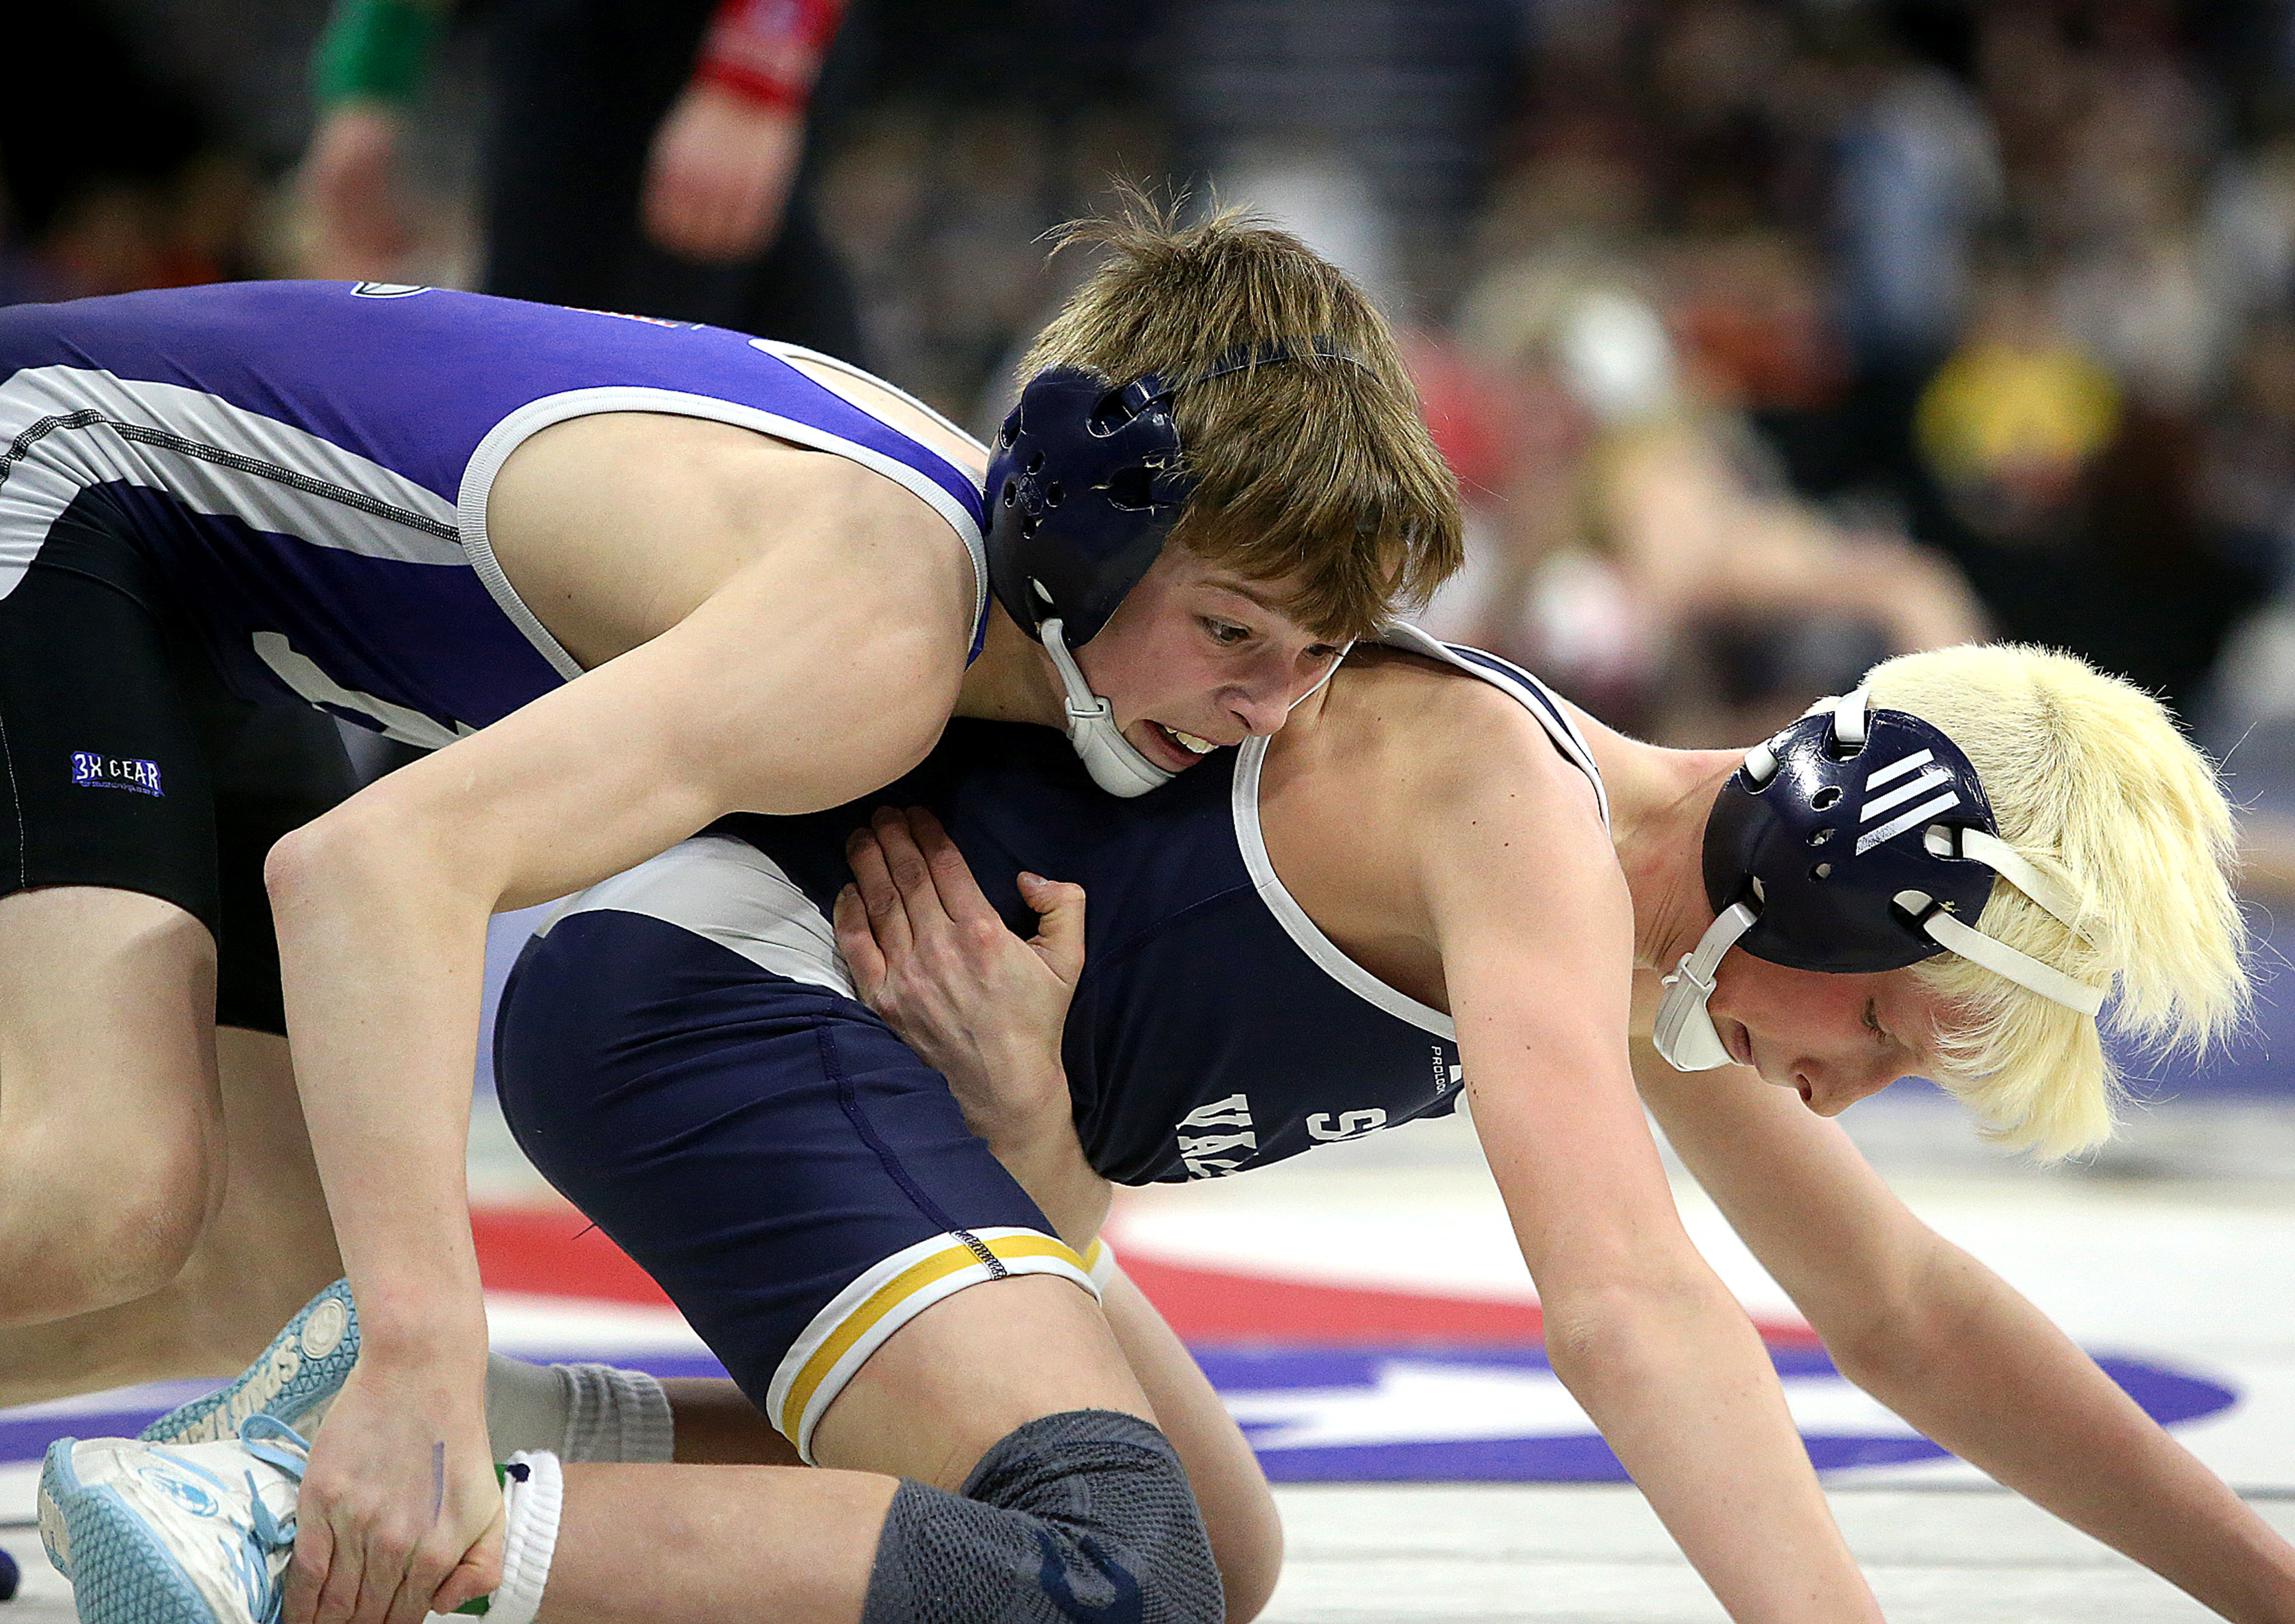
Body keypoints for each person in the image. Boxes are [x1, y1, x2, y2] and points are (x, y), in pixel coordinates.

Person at [64, 634, 2295, 1624]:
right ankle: (305, 1526)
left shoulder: (1631, 935)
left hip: (827, 1044)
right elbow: (1628, 1305)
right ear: (1840, 870)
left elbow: (1906, 1309)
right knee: (1111, 1583)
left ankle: (466, 1419)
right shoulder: (1520, 804)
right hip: (729, 990)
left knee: (1222, 1539)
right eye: (1916, 1032)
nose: (1870, 1085)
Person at [1, 203, 1460, 1621]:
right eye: (1229, 631)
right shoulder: (885, 635)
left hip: (195, 598)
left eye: (1320, 651)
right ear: (1084, 533)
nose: (1272, 707)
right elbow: (374, 872)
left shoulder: (959, 601)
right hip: (59, 465)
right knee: (107, 1190)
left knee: (257, 1292)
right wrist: (427, 1362)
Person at [301, 0, 867, 359]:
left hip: (710, 42)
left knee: (673, 352)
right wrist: (370, 82)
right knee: (539, 346)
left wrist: (754, 74)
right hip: (561, 38)